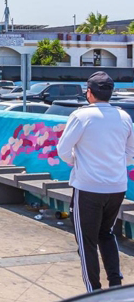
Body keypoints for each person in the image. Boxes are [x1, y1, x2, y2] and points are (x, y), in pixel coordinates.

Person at [57, 71, 134, 293]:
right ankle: (115, 285)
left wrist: (77, 162)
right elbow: (129, 153)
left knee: (86, 241)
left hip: (88, 187)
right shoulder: (124, 116)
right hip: (117, 187)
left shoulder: (81, 116)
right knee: (106, 234)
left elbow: (63, 150)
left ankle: (93, 291)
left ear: (89, 93)